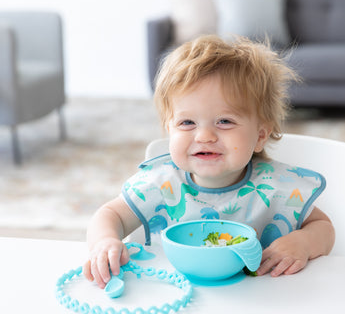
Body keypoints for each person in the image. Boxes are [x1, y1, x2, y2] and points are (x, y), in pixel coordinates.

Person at [83, 35, 335, 288]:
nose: (204, 136)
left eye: (224, 121)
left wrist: (303, 242)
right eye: (187, 123)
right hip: (172, 295)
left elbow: (323, 228)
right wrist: (104, 241)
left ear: (260, 136)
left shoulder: (277, 189)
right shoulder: (160, 184)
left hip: (258, 302)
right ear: (169, 130)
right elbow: (109, 214)